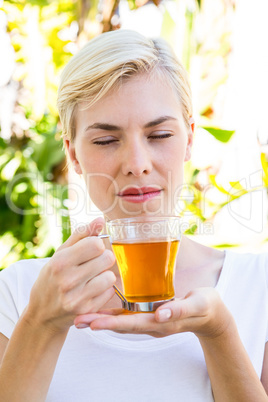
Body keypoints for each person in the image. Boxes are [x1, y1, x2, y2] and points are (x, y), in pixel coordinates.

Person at [0, 29, 267, 402]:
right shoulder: (15, 294)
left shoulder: (258, 286)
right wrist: (41, 322)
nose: (137, 165)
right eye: (106, 140)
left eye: (158, 135)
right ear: (73, 155)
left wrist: (219, 334)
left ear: (189, 139)